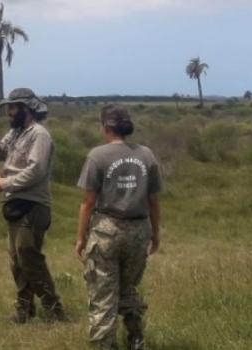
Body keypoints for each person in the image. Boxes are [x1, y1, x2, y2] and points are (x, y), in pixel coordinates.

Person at [0, 88, 66, 324]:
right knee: (17, 261)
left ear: (26, 109)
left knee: (30, 258)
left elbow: (36, 171)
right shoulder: (15, 133)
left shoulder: (39, 135)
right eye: (8, 108)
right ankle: (24, 311)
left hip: (33, 204)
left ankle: (54, 310)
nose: (9, 112)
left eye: (13, 108)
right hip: (14, 202)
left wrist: (4, 182)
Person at [75, 104, 162, 350]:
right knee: (128, 288)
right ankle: (136, 338)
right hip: (138, 231)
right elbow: (154, 201)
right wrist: (155, 234)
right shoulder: (146, 154)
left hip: (106, 232)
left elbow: (88, 202)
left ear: (106, 126)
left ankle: (105, 345)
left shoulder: (97, 156)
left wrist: (80, 237)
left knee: (103, 294)